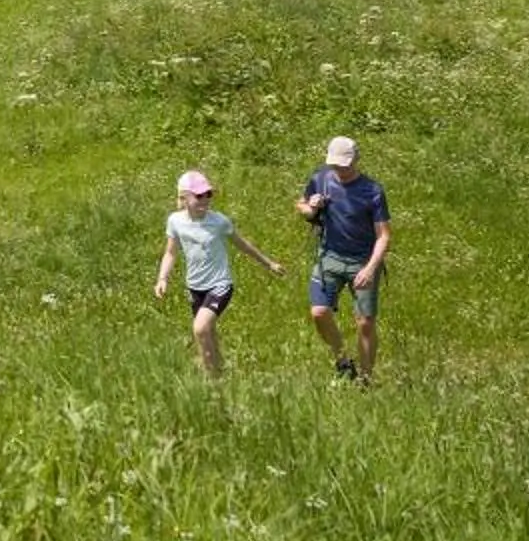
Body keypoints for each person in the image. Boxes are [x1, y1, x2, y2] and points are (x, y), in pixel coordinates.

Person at [153, 169, 284, 377]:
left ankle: (211, 380)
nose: (205, 199)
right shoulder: (175, 221)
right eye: (198, 196)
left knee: (200, 328)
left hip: (220, 284)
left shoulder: (219, 221)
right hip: (195, 286)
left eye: (208, 194)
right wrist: (162, 279)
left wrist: (269, 264)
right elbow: (170, 252)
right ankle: (220, 370)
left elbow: (243, 245)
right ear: (183, 198)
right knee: (209, 333)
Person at [296, 135, 392, 381]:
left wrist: (370, 268)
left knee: (365, 322)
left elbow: (383, 236)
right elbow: (302, 207)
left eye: (345, 164)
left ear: (356, 160)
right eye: (336, 165)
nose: (341, 170)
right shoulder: (320, 179)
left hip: (362, 261)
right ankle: (343, 360)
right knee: (318, 312)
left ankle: (365, 379)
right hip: (329, 257)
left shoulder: (372, 191)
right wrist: (312, 208)